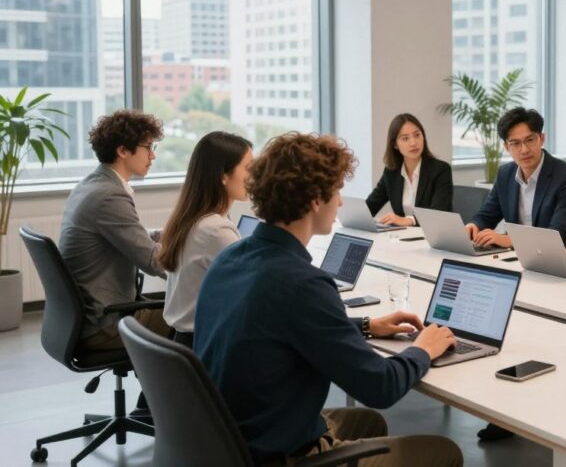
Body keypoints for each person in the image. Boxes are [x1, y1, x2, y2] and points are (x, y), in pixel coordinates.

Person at [194, 132, 462, 467]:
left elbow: (274, 324)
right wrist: (423, 349)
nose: (339, 202)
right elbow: (380, 387)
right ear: (314, 202)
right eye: (335, 191)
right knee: (443, 452)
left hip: (229, 439)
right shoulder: (303, 284)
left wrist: (365, 325)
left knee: (367, 423)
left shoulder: (230, 259)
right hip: (277, 455)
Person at [60, 109, 170, 350]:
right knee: (196, 316)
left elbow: (129, 237)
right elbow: (154, 262)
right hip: (106, 325)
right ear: (122, 150)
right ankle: (176, 387)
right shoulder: (109, 196)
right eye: (148, 147)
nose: (152, 156)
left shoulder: (92, 184)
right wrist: (194, 267)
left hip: (88, 318)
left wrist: (175, 234)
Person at [158, 132, 253, 348]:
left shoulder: (193, 219)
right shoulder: (216, 231)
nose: (255, 175)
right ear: (223, 175)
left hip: (182, 341)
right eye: (248, 168)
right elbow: (252, 291)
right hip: (204, 346)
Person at [466, 107, 566, 248]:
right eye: (515, 143)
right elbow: (487, 215)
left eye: (530, 140)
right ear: (506, 147)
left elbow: (558, 235)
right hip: (512, 257)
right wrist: (474, 226)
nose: (524, 150)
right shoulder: (505, 174)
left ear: (541, 139)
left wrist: (510, 241)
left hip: (550, 259)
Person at [366, 113, 453, 227]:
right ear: (395, 145)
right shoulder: (391, 172)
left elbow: (437, 212)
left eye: (417, 135)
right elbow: (371, 206)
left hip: (435, 237)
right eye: (405, 138)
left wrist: (410, 220)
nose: (413, 143)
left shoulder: (441, 170)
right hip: (405, 238)